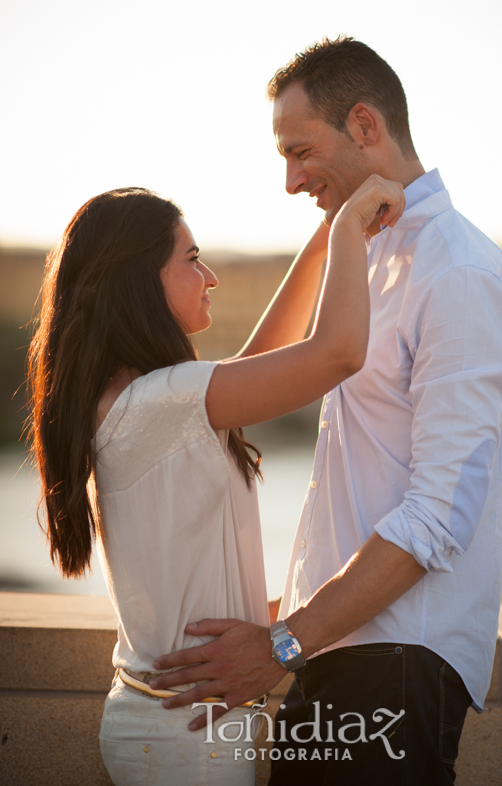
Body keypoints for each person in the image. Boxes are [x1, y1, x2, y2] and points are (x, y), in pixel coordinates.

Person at [152, 37, 502, 785]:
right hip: (337, 652)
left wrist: (283, 642)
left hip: (394, 666)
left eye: (299, 152)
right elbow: (241, 393)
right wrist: (287, 626)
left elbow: (439, 513)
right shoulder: (367, 256)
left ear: (363, 125)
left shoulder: (460, 272)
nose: (290, 181)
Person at [26, 178, 405, 786]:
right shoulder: (159, 401)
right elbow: (337, 353)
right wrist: (352, 227)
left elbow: (258, 362)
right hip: (182, 736)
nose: (211, 278)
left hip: (166, 725)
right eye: (192, 259)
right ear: (140, 279)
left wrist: (322, 240)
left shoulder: (133, 400)